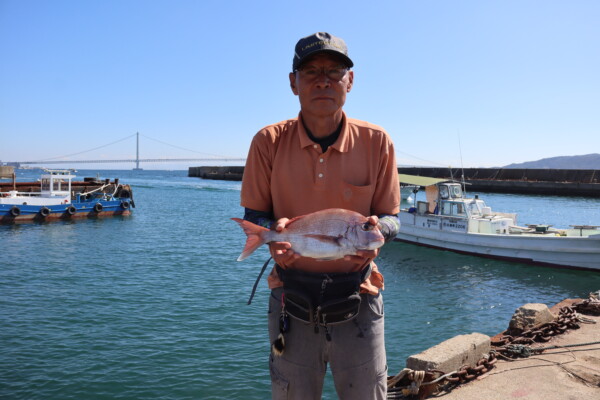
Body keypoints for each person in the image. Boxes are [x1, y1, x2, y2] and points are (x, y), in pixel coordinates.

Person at [239, 32, 400, 399]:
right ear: (293, 83)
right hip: (290, 299)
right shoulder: (268, 141)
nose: (323, 80)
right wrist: (271, 232)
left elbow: (392, 217)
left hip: (360, 296)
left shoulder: (377, 141)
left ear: (350, 81)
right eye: (310, 71)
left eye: (334, 70)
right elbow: (256, 213)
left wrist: (380, 230)